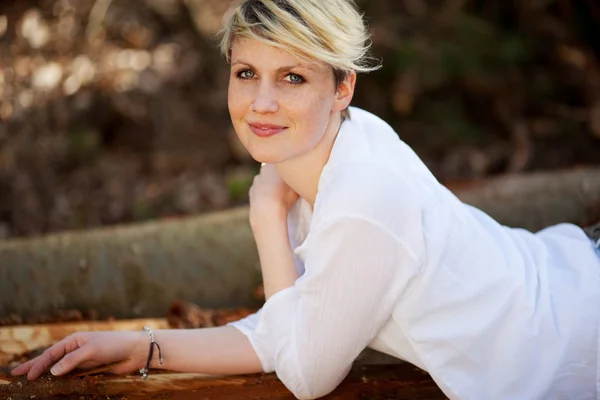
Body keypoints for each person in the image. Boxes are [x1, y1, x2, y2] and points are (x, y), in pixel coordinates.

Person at [11, 0, 600, 399]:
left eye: (293, 78)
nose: (261, 102)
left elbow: (306, 372)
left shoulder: (362, 195)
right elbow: (288, 328)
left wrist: (267, 218)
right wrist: (140, 346)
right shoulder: (335, 145)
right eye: (247, 73)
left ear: (343, 86)